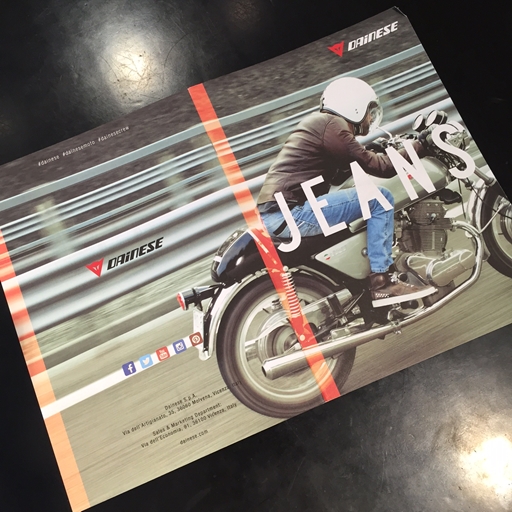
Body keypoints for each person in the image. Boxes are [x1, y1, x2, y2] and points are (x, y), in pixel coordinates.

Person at [257, 76, 436, 307]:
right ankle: (383, 282)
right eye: (368, 111)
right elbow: (381, 168)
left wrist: (369, 149)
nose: (370, 118)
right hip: (292, 213)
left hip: (279, 212)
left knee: (362, 199)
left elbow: (338, 173)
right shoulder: (334, 126)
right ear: (354, 106)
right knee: (380, 198)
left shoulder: (322, 123)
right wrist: (420, 145)